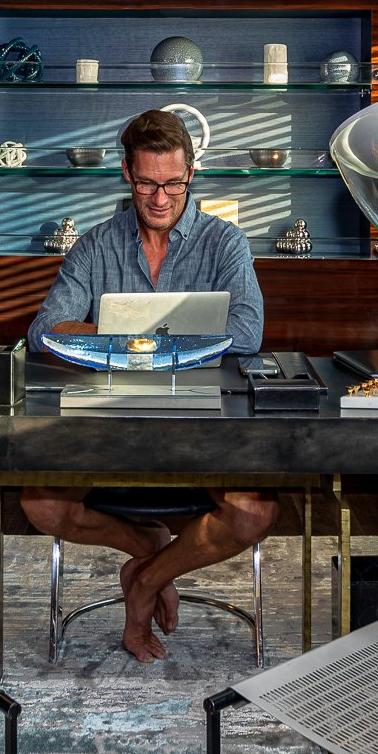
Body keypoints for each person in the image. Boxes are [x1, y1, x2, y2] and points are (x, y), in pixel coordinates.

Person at [21, 108, 273, 663]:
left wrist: (133, 341)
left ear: (191, 176)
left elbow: (248, 332)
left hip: (202, 423)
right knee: (41, 505)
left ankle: (143, 582)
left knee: (254, 513)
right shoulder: (94, 246)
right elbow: (43, 330)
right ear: (127, 175)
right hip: (107, 424)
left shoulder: (225, 242)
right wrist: (140, 338)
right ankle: (148, 546)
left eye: (173, 184)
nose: (160, 198)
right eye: (147, 183)